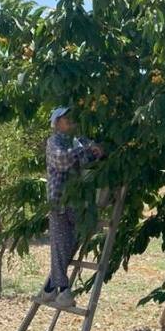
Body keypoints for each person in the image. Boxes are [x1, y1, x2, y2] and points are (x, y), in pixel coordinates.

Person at [44, 107, 103, 308]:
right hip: (59, 201)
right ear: (57, 122)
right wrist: (85, 148)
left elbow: (87, 160)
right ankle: (62, 291)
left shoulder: (75, 141)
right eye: (66, 118)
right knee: (60, 245)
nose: (71, 121)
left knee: (70, 243)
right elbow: (62, 161)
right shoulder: (54, 142)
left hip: (77, 201)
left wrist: (95, 152)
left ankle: (50, 289)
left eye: (71, 117)